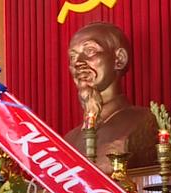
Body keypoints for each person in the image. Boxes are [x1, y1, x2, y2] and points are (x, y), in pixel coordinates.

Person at [63, 22, 157, 174]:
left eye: (90, 50)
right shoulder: (68, 140)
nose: (78, 62)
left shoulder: (145, 121)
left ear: (119, 59)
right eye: (72, 57)